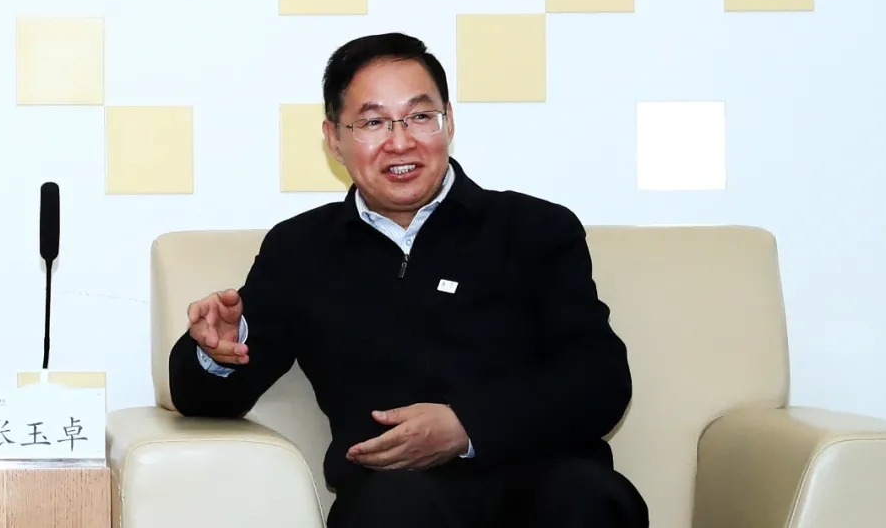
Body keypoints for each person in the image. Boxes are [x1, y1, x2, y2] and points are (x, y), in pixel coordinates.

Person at [168, 32, 649, 528]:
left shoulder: (535, 229)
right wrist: (216, 351)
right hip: (396, 497)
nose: (401, 142)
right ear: (334, 139)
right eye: (373, 122)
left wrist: (467, 426)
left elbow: (600, 379)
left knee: (591, 500)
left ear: (449, 121)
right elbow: (207, 400)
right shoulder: (301, 249)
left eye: (420, 116)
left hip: (545, 480)